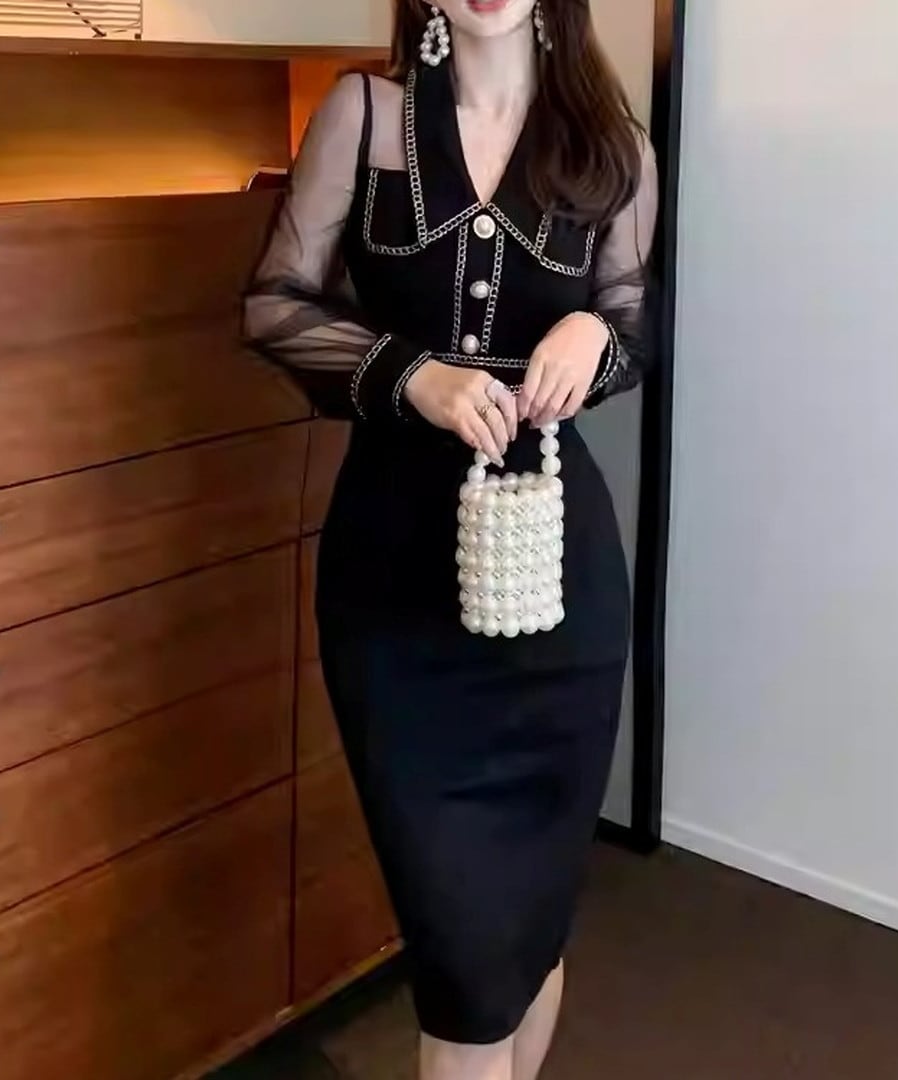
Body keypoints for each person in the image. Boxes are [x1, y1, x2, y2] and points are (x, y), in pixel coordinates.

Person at [245, 1, 657, 1077]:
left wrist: (593, 331)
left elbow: (635, 320)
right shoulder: (363, 114)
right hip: (395, 585)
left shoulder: (613, 145)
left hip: (557, 588)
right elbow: (274, 304)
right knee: (462, 958)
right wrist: (411, 374)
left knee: (529, 931)